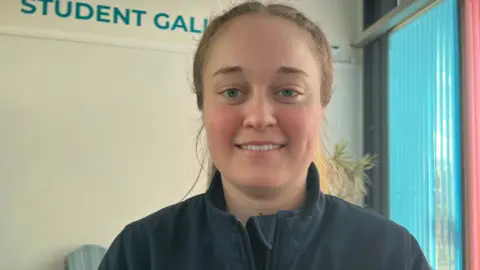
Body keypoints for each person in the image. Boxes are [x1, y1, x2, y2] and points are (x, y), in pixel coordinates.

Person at [98, 1, 431, 269]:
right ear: (202, 104)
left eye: (288, 91)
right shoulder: (142, 252)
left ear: (322, 104)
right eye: (231, 92)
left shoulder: (390, 254)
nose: (259, 117)